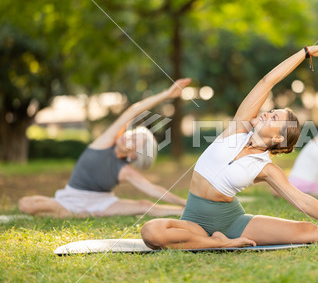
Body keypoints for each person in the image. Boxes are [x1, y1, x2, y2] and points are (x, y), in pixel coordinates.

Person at [140, 40, 318, 250]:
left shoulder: (266, 168)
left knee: (306, 231)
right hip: (194, 223)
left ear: (278, 137)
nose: (267, 113)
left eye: (274, 117)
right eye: (272, 110)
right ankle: (220, 243)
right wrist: (304, 53)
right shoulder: (237, 130)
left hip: (232, 222)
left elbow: (304, 201)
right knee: (151, 232)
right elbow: (268, 81)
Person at [18, 79, 191, 218]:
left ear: (134, 155)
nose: (128, 136)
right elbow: (133, 111)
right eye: (133, 134)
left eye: (134, 141)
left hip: (101, 202)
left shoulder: (124, 170)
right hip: (71, 197)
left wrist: (187, 204)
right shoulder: (105, 142)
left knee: (144, 205)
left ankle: (189, 212)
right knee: (25, 204)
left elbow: (156, 190)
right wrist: (166, 94)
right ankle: (75, 214)